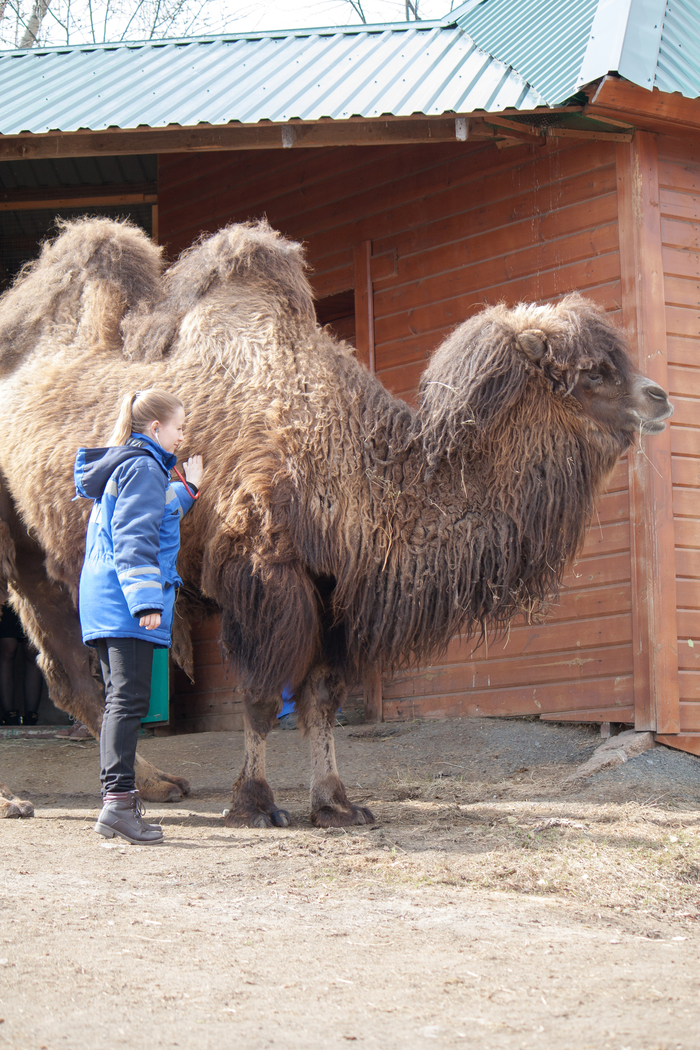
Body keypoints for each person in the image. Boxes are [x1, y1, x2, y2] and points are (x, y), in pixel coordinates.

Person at [74, 389, 203, 845]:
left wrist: (186, 491)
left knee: (121, 701)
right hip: (125, 599)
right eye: (179, 427)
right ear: (155, 429)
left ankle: (118, 805)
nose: (182, 436)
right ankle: (117, 807)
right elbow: (134, 537)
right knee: (128, 702)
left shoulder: (131, 466)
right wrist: (147, 601)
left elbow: (151, 516)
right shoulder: (146, 468)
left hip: (106, 594)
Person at [0, 604, 43, 726]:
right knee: (7, 647)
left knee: (32, 650)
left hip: (32, 592)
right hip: (6, 592)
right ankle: (9, 715)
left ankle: (31, 716)